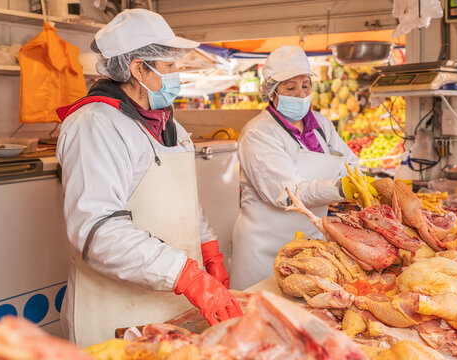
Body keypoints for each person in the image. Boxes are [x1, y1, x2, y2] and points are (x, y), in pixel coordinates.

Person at [56, 9, 241, 347]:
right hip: (113, 313)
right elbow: (98, 231)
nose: (177, 75)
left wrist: (208, 249)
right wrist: (186, 275)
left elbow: (183, 202)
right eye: (169, 66)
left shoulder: (170, 126)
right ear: (139, 68)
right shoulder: (95, 126)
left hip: (170, 306)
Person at [230, 46, 360, 290]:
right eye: (290, 88)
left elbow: (350, 163)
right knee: (262, 315)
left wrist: (361, 182)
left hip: (310, 243)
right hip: (264, 248)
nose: (300, 94)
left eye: (305, 85)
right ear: (271, 92)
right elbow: (288, 194)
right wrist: (342, 188)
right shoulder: (258, 133)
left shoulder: (321, 124)